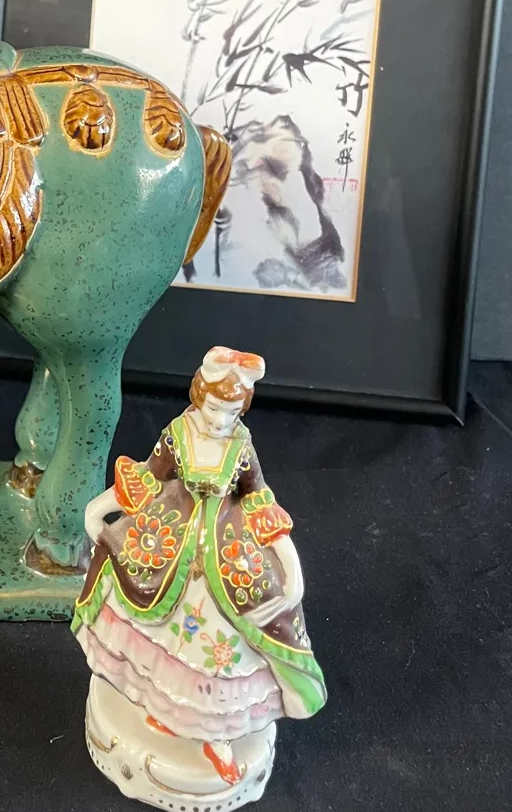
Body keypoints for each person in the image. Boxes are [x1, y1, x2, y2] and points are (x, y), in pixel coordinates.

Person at [72, 347, 326, 809]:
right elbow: (148, 479)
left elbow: (260, 502)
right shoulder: (178, 434)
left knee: (218, 647)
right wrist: (97, 508)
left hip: (225, 557)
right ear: (198, 397)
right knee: (145, 617)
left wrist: (292, 571)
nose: (219, 420)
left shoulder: (241, 448)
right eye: (213, 409)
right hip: (166, 543)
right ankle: (157, 707)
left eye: (231, 412)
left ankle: (215, 734)